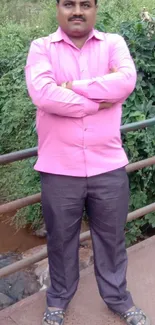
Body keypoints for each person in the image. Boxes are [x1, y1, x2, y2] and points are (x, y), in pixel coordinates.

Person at [25, 0, 150, 324]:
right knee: (61, 241)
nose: (77, 10)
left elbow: (124, 82)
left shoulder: (114, 44)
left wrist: (71, 87)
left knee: (111, 240)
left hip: (107, 165)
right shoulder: (41, 48)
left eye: (85, 4)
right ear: (58, 8)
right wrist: (98, 103)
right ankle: (58, 300)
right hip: (58, 168)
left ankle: (118, 299)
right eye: (69, 4)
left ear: (95, 9)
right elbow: (43, 94)